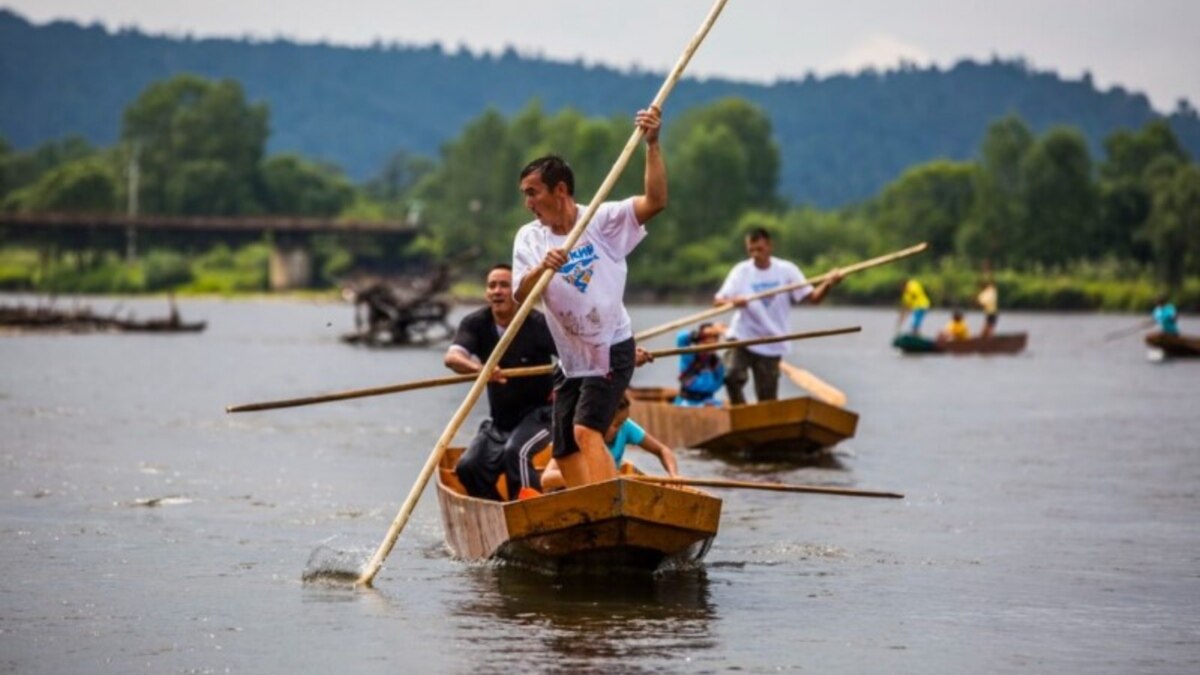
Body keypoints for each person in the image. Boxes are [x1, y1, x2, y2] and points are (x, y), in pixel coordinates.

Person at [512, 106, 666, 490]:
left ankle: (612, 507)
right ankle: (589, 507)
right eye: (525, 195)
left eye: (533, 193)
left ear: (560, 190)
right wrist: (541, 268)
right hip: (570, 355)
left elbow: (656, 201)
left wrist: (652, 143)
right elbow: (521, 294)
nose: (528, 202)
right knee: (563, 449)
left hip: (610, 346)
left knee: (586, 431)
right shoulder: (530, 238)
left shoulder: (602, 220)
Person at [444, 264, 557, 501]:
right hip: (502, 421)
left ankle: (529, 511)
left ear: (517, 291)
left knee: (517, 452)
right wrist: (482, 369)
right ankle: (498, 510)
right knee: (468, 467)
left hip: (542, 415)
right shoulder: (476, 323)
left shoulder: (538, 323)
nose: (497, 291)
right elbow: (453, 358)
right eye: (492, 286)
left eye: (504, 285)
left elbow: (574, 356)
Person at [714, 228, 840, 405]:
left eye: (760, 249)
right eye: (751, 250)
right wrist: (734, 301)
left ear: (769, 246)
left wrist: (828, 283)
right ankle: (740, 412)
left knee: (767, 399)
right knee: (730, 375)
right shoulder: (741, 271)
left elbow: (813, 298)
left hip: (772, 341)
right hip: (742, 337)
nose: (756, 254)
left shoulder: (786, 270)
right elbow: (718, 301)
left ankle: (762, 424)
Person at [541, 393, 678, 492]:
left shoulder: (625, 427)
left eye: (622, 424)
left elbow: (662, 450)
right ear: (599, 420)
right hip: (574, 492)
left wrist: (674, 475)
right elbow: (546, 479)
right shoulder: (578, 434)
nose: (619, 429)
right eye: (615, 425)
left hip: (609, 493)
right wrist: (590, 476)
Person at [674, 322, 726, 407]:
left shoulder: (716, 362)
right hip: (687, 401)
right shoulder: (689, 354)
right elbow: (681, 338)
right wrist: (702, 333)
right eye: (707, 342)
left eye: (714, 342)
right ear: (699, 341)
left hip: (708, 401)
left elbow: (718, 382)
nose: (711, 345)